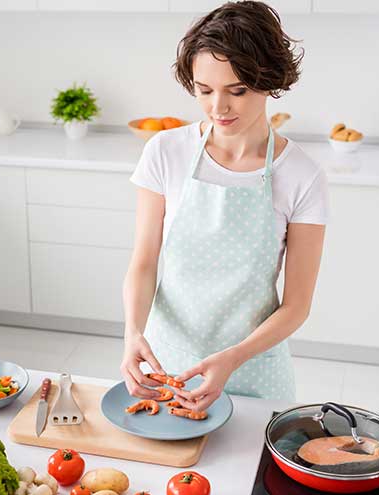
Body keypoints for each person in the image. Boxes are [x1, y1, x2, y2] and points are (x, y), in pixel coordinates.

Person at [121, 1, 328, 411]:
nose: (219, 107)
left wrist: (233, 357)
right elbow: (143, 263)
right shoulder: (165, 152)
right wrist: (132, 333)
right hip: (168, 370)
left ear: (269, 80)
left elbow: (296, 306)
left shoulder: (302, 175)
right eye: (205, 90)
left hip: (254, 373)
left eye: (238, 90)